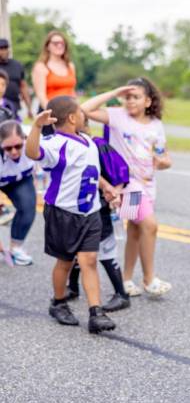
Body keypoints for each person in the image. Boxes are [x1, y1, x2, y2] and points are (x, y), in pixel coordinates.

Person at [25, 99, 117, 333]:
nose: (85, 115)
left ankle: (96, 312)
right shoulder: (55, 143)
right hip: (63, 212)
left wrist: (105, 186)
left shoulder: (88, 141)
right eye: (81, 112)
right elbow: (32, 152)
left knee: (89, 260)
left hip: (91, 210)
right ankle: (58, 303)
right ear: (73, 118)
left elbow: (91, 170)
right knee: (65, 262)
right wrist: (36, 127)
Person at [81, 78, 172, 298]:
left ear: (148, 101)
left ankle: (127, 279)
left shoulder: (155, 125)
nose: (130, 101)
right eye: (128, 97)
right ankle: (149, 279)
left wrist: (163, 162)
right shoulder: (117, 116)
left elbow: (164, 156)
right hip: (127, 184)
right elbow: (83, 109)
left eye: (136, 97)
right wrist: (115, 91)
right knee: (150, 225)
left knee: (134, 230)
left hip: (149, 185)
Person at [66, 118, 131, 312]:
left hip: (99, 206)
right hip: (78, 206)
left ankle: (122, 293)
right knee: (77, 247)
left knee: (104, 248)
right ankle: (73, 286)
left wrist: (113, 191)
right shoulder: (71, 145)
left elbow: (121, 170)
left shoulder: (97, 145)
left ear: (84, 124)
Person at [0, 120, 38, 265]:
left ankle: (16, 248)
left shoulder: (35, 141)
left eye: (18, 146)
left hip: (20, 179)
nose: (14, 151)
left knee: (28, 207)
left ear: (25, 138)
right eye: (8, 148)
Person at [32, 31, 77, 136]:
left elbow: (72, 90)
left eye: (62, 43)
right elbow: (41, 95)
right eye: (55, 43)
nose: (60, 45)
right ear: (48, 46)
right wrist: (55, 115)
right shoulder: (41, 66)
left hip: (69, 113)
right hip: (50, 115)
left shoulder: (70, 66)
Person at [0, 38, 32, 120]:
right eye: (1, 49)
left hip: (14, 105)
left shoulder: (17, 65)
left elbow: (23, 86)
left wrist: (29, 108)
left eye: (5, 48)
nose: (3, 51)